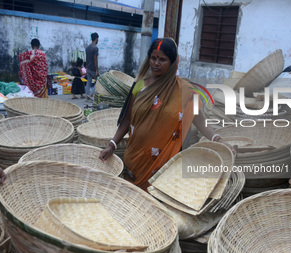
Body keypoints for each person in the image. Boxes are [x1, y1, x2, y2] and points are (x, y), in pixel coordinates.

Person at [99, 38, 235, 191]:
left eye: (162, 59)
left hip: (165, 164)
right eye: (153, 58)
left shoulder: (185, 91)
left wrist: (219, 140)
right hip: (135, 160)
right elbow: (127, 120)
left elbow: (200, 122)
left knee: (159, 203)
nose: (156, 63)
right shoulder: (140, 87)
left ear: (173, 62)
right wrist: (112, 145)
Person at [85, 32, 99, 100]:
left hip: (88, 67)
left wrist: (86, 67)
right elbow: (95, 60)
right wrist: (97, 70)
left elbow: (86, 58)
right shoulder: (95, 48)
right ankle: (91, 94)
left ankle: (87, 96)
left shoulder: (88, 48)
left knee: (88, 82)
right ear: (96, 39)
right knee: (98, 82)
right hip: (93, 68)